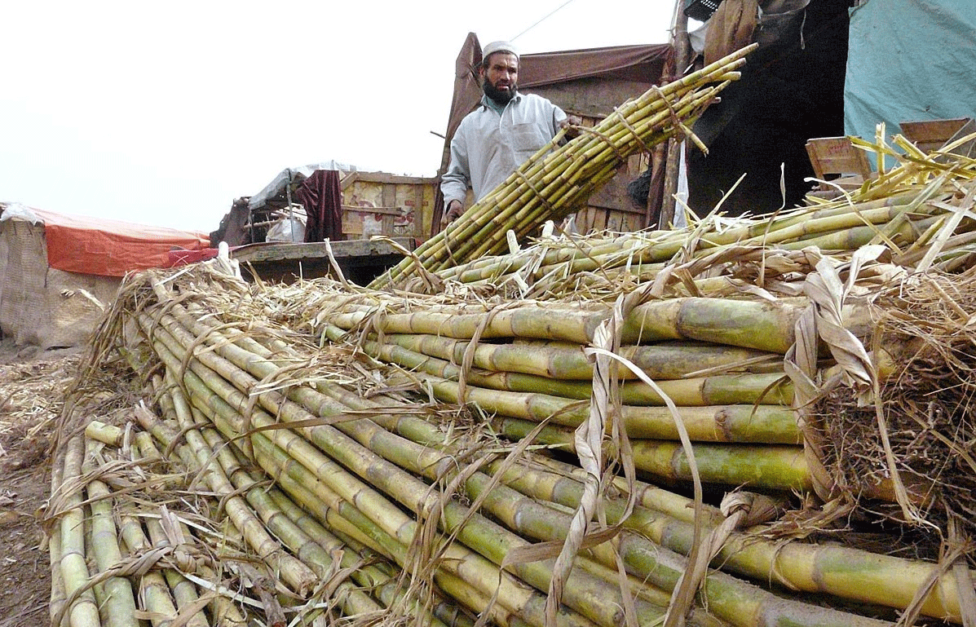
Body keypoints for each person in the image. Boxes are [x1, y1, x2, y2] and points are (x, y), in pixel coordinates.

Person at [440, 40, 574, 227]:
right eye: (498, 69)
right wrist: (454, 200)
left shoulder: (540, 107)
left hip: (547, 220)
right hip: (494, 225)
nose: (506, 76)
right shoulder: (469, 126)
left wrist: (574, 130)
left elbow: (572, 143)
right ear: (482, 72)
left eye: (512, 71)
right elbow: (455, 175)